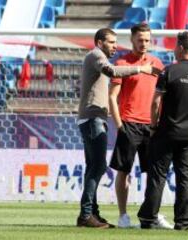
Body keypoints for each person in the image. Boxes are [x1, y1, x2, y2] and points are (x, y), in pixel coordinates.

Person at [77, 28, 155, 228]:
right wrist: (140, 69)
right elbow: (111, 71)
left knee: (92, 166)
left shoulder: (95, 57)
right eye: (111, 42)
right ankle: (86, 215)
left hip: (92, 118)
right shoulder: (96, 55)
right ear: (100, 42)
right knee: (98, 166)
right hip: (93, 118)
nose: (114, 46)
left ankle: (91, 213)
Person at [137, 31, 188, 230]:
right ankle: (183, 222)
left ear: (181, 48)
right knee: (185, 178)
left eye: (176, 45)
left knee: (158, 176)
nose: (173, 49)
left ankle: (149, 218)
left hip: (167, 131)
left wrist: (153, 126)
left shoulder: (169, 71)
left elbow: (155, 102)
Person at [108, 23, 164, 228]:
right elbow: (112, 97)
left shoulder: (157, 63)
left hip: (151, 126)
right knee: (123, 171)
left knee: (154, 173)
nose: (144, 43)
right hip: (129, 124)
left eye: (147, 40)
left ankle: (151, 214)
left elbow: (161, 97)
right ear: (132, 40)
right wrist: (119, 124)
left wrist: (159, 123)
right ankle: (123, 216)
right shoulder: (122, 63)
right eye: (140, 39)